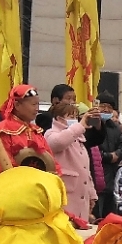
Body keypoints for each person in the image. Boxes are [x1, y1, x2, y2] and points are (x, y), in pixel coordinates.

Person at [44, 85, 95, 223]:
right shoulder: (51, 134)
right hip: (65, 195)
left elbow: (86, 170)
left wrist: (92, 193)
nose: (75, 119)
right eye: (70, 116)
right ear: (59, 118)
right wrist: (79, 127)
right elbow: (58, 143)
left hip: (82, 197)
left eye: (75, 116)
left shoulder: (78, 139)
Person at [0, 85, 56, 171]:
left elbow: (51, 161)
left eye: (38, 104)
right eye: (34, 104)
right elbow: (1, 164)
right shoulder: (4, 130)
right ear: (17, 105)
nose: (37, 109)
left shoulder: (35, 131)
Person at [85, 95, 122, 218]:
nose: (106, 110)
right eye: (103, 106)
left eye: (109, 107)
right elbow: (90, 147)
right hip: (95, 173)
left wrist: (117, 154)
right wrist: (108, 157)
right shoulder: (90, 125)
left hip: (112, 175)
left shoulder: (116, 128)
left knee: (109, 213)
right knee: (96, 212)